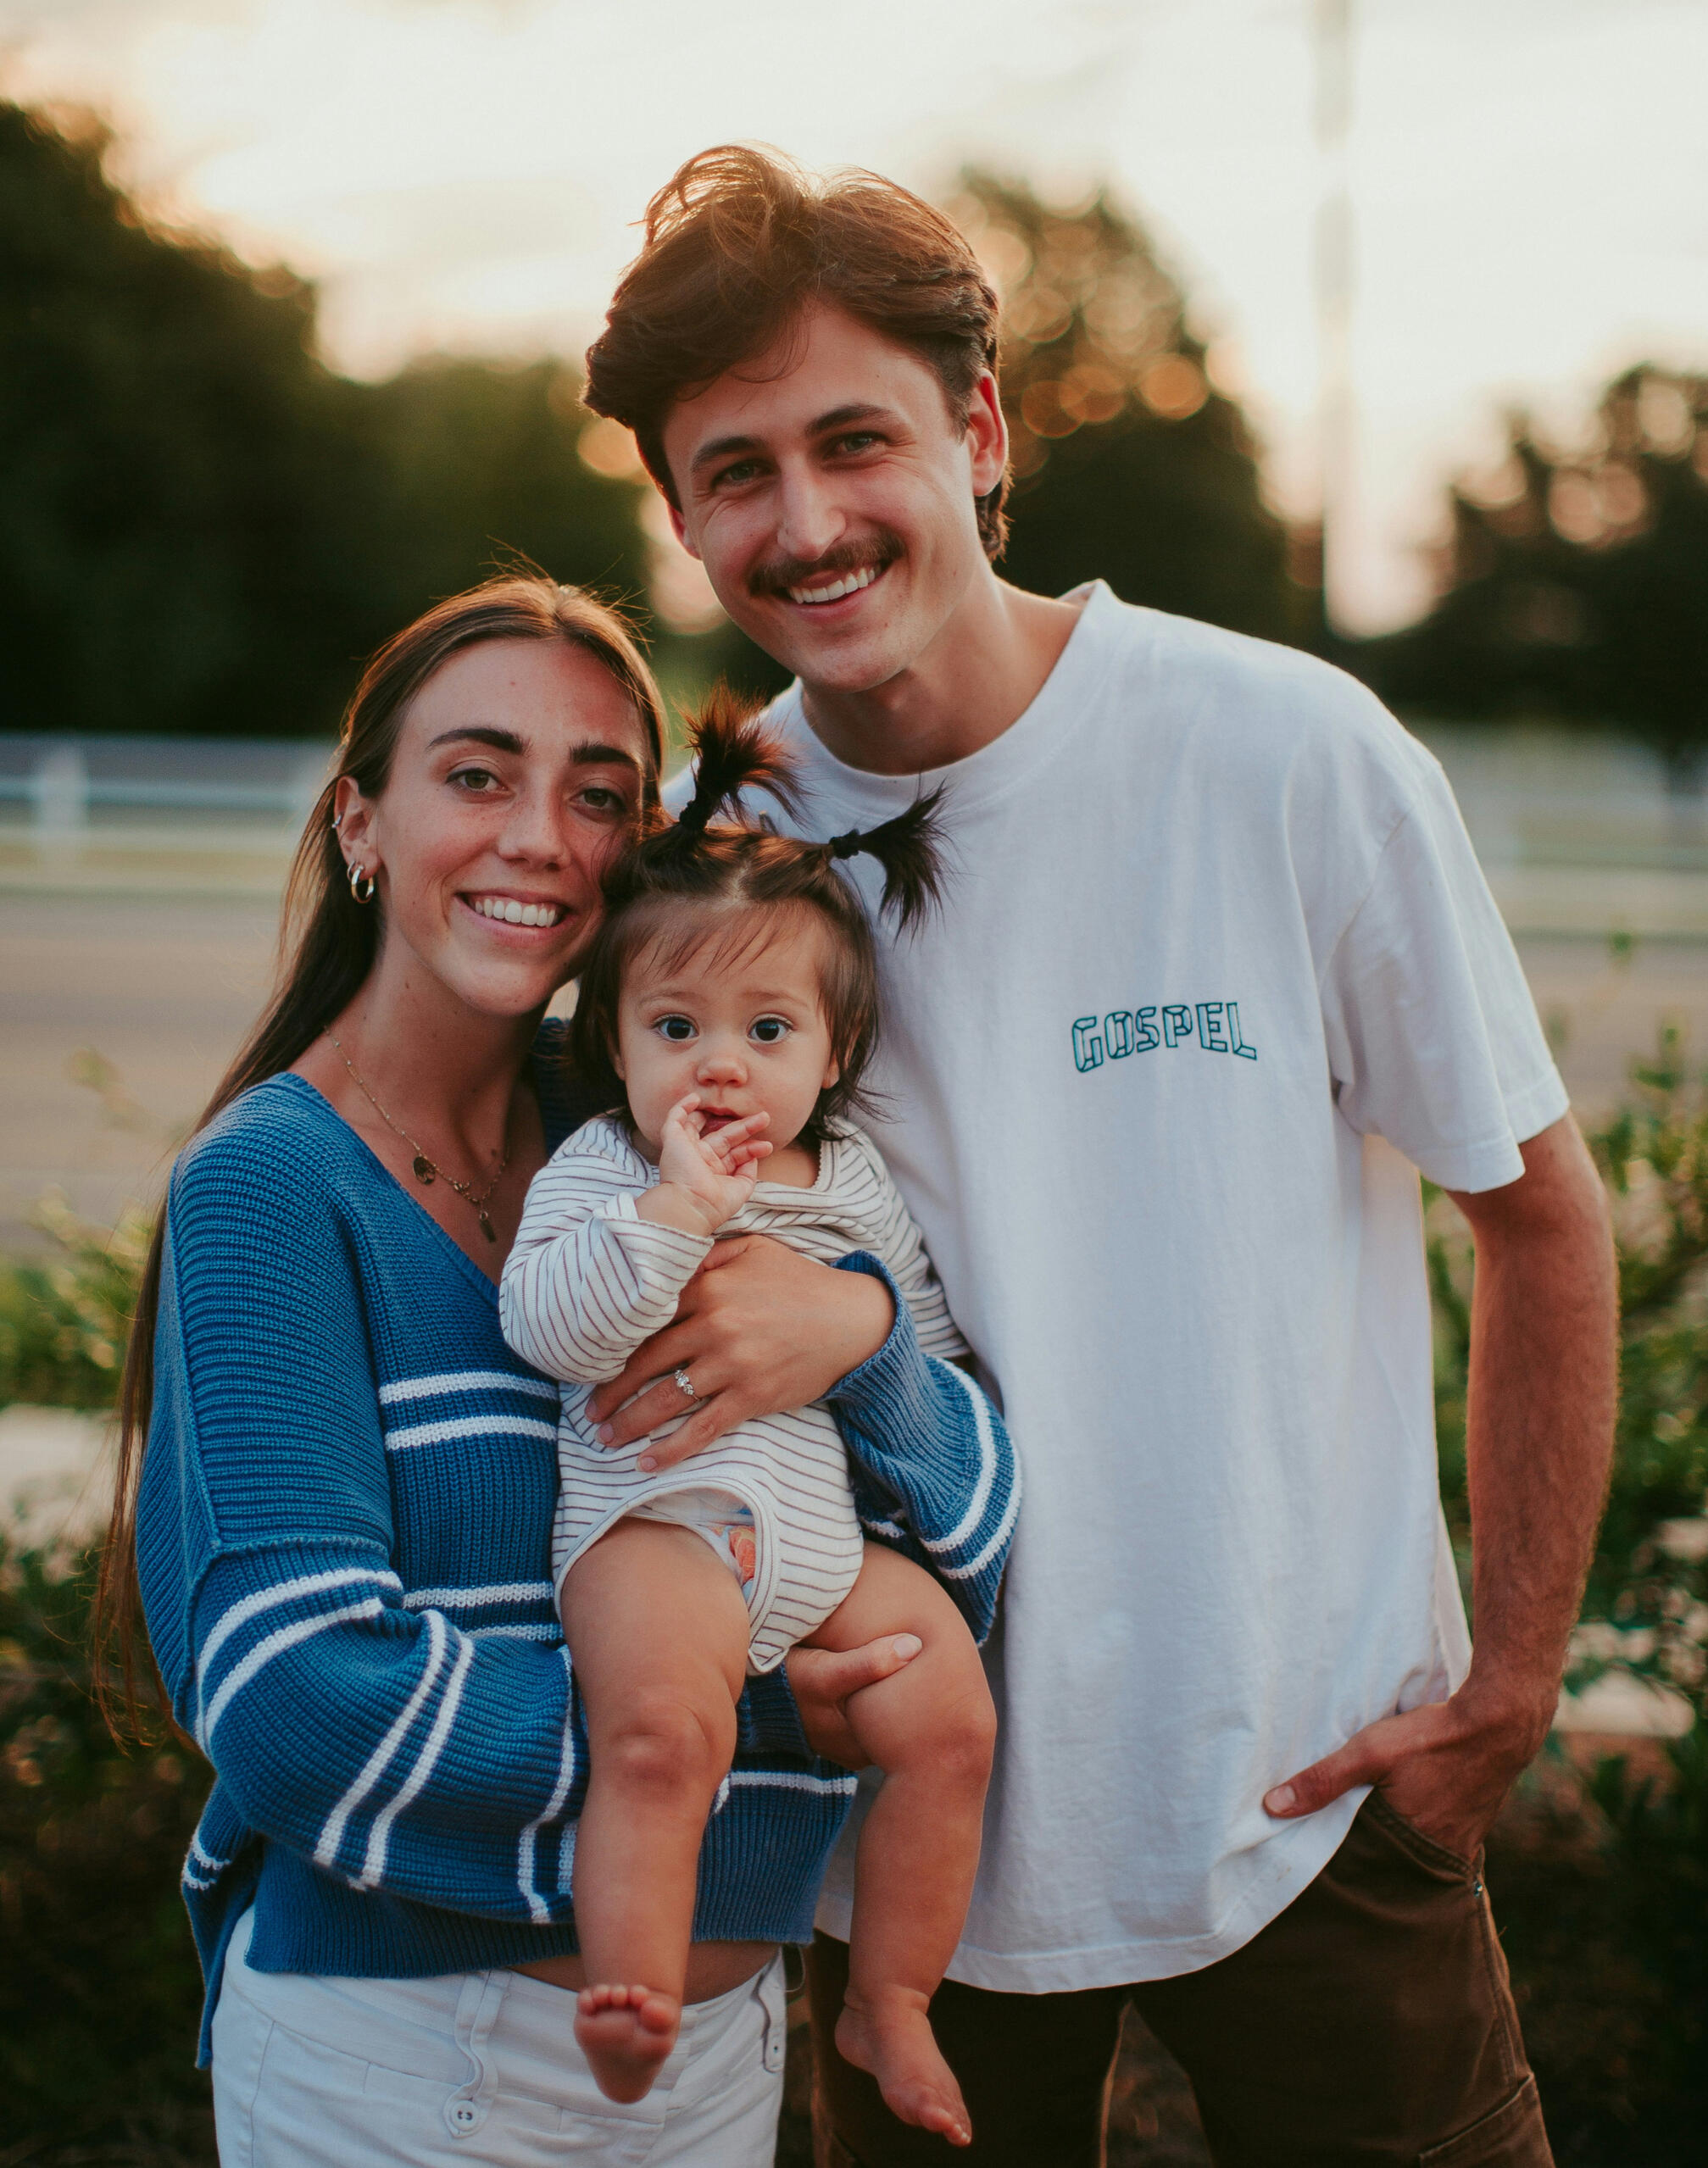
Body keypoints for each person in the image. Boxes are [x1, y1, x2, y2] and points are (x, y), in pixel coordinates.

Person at [578, 148, 1621, 2165]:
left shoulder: (1285, 751)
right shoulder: (710, 854)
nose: (803, 524)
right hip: (903, 1827)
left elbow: (1536, 1212)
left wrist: (1505, 1684)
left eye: (853, 440)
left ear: (978, 430)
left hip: (1314, 1796)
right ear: (680, 506)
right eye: (733, 472)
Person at [97, 574, 1017, 2167]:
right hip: (410, 2059)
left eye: (599, 795)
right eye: (475, 774)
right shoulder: (273, 1186)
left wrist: (858, 1337)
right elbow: (293, 1696)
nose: (541, 835)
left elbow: (982, 1537)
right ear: (360, 822)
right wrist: (756, 1715)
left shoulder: (704, 1132)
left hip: (724, 2055)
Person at [499, 697, 1007, 2143]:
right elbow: (547, 1323)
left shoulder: (850, 1184)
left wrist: (860, 1324)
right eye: (675, 1026)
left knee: (951, 1709)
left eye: (765, 1028)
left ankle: (889, 2000)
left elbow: (925, 1347)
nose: (718, 1065)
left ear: (835, 1053)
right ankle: (634, 1988)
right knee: (660, 1734)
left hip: (817, 1548)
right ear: (611, 1037)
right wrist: (674, 1218)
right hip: (653, 1526)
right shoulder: (605, 1168)